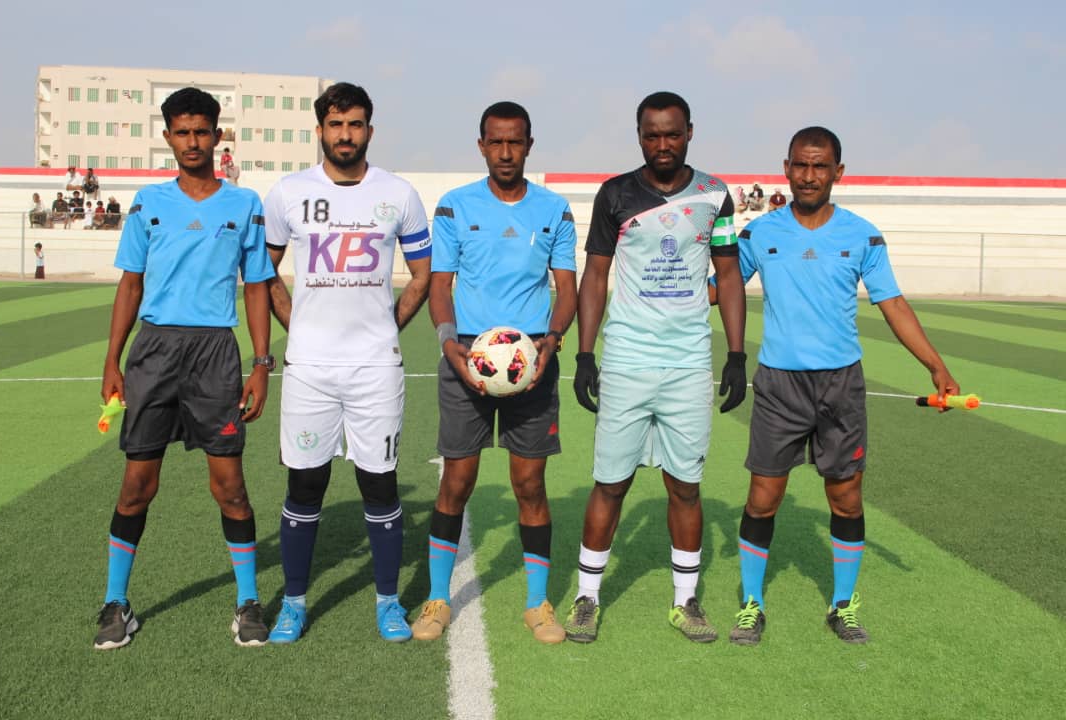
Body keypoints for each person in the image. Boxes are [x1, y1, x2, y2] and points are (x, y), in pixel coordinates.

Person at [721, 127, 960, 646]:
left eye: (820, 166)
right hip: (779, 384)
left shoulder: (863, 235)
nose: (809, 176)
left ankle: (843, 606)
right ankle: (752, 604)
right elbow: (724, 287)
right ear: (786, 168)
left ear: (838, 172)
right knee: (763, 498)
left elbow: (892, 303)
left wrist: (935, 365)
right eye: (801, 165)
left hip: (841, 385)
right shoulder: (759, 233)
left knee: (846, 499)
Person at [93, 87, 275, 651]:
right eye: (182, 132)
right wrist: (112, 360)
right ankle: (116, 603)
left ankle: (248, 602)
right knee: (136, 485)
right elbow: (131, 284)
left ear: (217, 136)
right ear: (168, 136)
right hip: (154, 352)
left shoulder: (244, 204)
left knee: (230, 486)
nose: (192, 142)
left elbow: (257, 287)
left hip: (215, 354)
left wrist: (261, 363)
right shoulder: (148, 202)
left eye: (201, 132)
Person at [563, 91, 747, 644]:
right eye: (651, 134)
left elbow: (729, 274)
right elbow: (596, 275)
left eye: (672, 133)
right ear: (639, 135)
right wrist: (586, 354)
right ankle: (587, 598)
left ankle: (685, 602)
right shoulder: (615, 194)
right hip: (627, 359)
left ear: (689, 132)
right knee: (610, 483)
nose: (662, 144)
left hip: (688, 363)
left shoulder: (715, 195)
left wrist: (737, 354)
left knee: (685, 487)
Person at [262, 82, 432, 644]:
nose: (345, 134)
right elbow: (262, 272)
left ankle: (388, 603)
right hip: (309, 368)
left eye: (355, 124)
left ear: (369, 131)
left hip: (375, 368)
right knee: (305, 484)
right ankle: (293, 603)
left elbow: (423, 274)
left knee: (379, 484)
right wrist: (296, 327)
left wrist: (388, 324)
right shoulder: (288, 193)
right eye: (335, 125)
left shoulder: (399, 194)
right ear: (320, 131)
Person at [411, 101, 578, 645]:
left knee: (529, 484)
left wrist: (552, 340)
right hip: (468, 357)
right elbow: (440, 284)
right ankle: (438, 598)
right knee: (456, 482)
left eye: (515, 142)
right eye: (496, 142)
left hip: (532, 360)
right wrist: (448, 344)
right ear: (481, 145)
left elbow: (567, 288)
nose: (506, 152)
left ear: (529, 145)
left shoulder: (554, 209)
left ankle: (536, 603)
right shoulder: (455, 206)